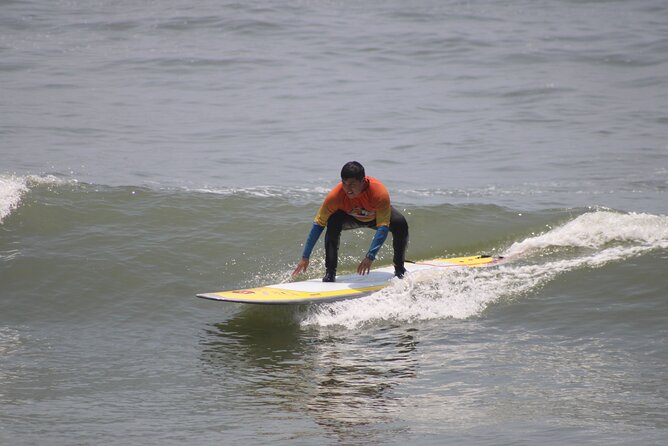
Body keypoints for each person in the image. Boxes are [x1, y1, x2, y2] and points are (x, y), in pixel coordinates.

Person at [292, 161, 409, 282]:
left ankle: (399, 270)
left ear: (362, 181)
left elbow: (383, 227)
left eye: (352, 184)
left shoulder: (379, 193)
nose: (348, 189)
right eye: (344, 183)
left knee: (400, 223)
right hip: (351, 217)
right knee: (333, 221)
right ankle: (330, 273)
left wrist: (370, 257)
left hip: (376, 218)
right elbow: (318, 224)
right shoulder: (336, 196)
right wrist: (305, 257)